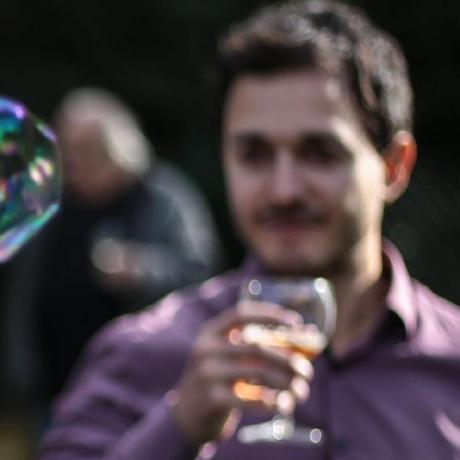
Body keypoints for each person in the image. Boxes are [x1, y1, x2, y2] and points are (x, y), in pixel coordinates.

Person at [38, 1, 460, 459]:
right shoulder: (140, 355)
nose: (284, 190)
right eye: (254, 155)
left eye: (320, 153)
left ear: (394, 167)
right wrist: (177, 429)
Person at [1, 88, 222, 407]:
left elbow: (202, 271)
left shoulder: (162, 197)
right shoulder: (50, 202)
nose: (72, 160)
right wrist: (22, 367)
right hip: (55, 391)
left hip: (145, 391)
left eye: (87, 149)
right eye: (65, 147)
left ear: (119, 149)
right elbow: (26, 292)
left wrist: (139, 269)